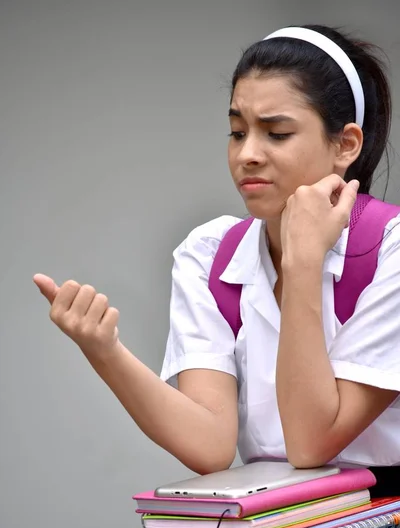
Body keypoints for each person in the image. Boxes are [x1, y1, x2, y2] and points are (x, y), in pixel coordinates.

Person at [34, 24, 400, 497]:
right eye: (237, 132)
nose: (247, 154)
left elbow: (311, 443)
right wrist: (106, 352)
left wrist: (302, 263)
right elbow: (210, 445)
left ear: (346, 145)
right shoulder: (210, 256)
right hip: (276, 525)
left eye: (277, 133)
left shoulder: (390, 251)